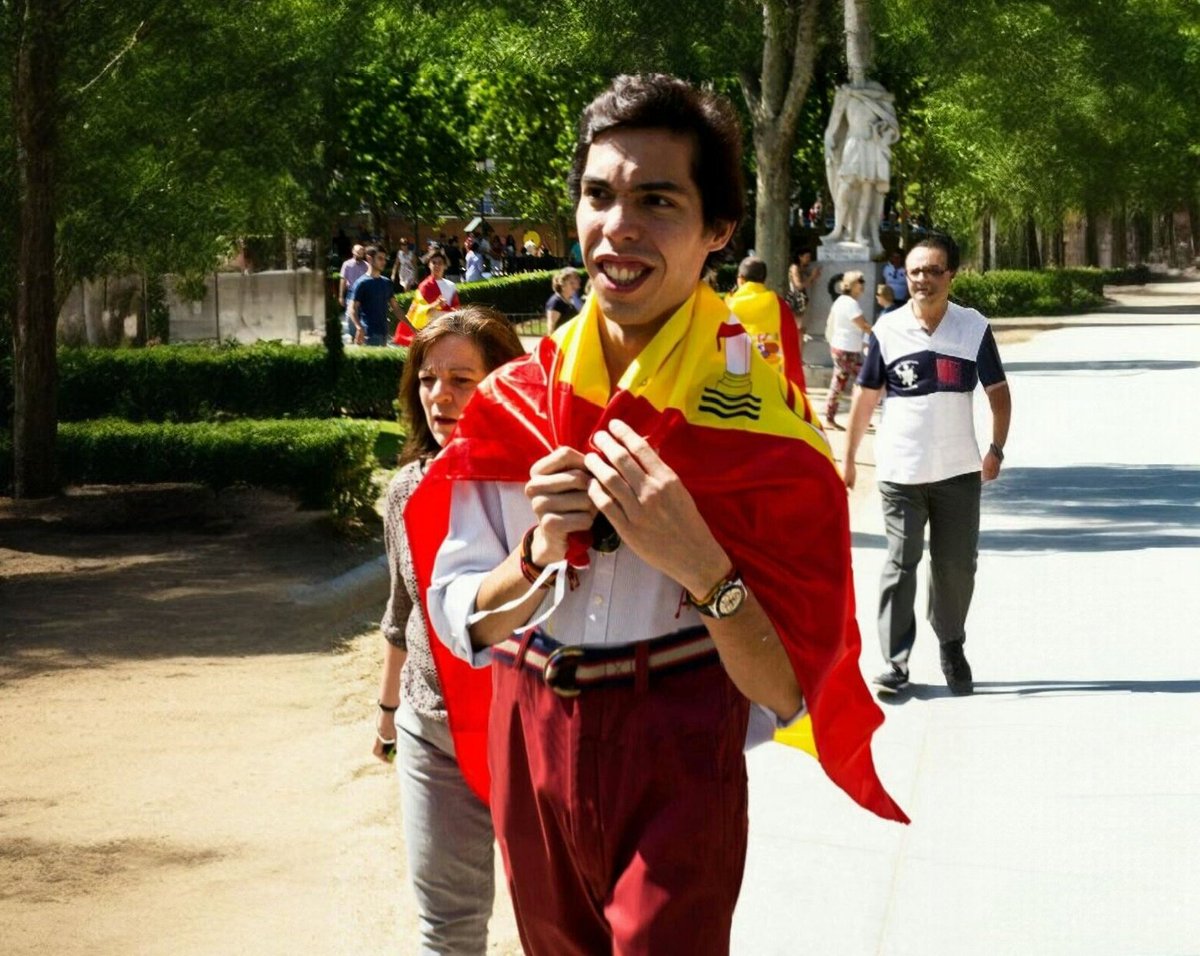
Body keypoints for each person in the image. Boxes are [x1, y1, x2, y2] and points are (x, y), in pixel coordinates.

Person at [410, 73, 905, 956]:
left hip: (680, 732)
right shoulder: (516, 405)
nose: (619, 225)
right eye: (599, 195)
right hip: (532, 725)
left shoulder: (770, 439)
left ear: (717, 231)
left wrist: (703, 568)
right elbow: (455, 614)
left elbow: (789, 690)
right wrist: (531, 558)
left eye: (658, 200)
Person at [374, 306, 525, 956]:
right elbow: (400, 613)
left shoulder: (538, 486)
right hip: (432, 732)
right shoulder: (405, 491)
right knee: (447, 931)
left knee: (563, 922)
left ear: (504, 381)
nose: (441, 395)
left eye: (462, 379)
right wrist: (386, 714)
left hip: (529, 735)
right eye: (429, 379)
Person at [842, 234, 1012, 697]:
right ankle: (895, 662)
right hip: (900, 471)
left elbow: (997, 392)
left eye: (933, 271)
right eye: (915, 271)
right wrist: (850, 458)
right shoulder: (887, 330)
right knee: (901, 563)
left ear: (951, 276)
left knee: (955, 566)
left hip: (958, 471)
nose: (922, 279)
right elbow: (866, 396)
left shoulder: (973, 328)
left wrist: (995, 448)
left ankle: (951, 645)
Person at [823, 82, 900, 257]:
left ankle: (859, 233)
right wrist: (828, 141)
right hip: (852, 144)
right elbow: (834, 121)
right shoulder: (845, 93)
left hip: (871, 145)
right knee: (844, 187)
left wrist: (884, 135)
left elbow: (892, 125)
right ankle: (838, 229)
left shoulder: (878, 91)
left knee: (867, 189)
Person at [725, 255, 806, 391]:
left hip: (737, 380)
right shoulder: (778, 304)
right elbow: (790, 346)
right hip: (771, 382)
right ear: (764, 280)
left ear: (740, 279)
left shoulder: (728, 305)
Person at [824, 271, 871, 429]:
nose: (863, 284)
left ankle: (857, 418)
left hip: (845, 348)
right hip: (846, 350)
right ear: (852, 286)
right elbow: (863, 325)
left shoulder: (843, 301)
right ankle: (830, 418)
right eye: (860, 282)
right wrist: (878, 334)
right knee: (846, 383)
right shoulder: (850, 304)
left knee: (858, 382)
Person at [397, 250, 460, 345]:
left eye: (440, 263)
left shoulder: (451, 285)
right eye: (433, 262)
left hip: (448, 327)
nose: (437, 265)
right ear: (429, 265)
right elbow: (419, 309)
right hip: (430, 329)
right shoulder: (424, 285)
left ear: (445, 266)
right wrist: (435, 305)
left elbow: (456, 306)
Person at [347, 246, 405, 346]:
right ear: (369, 259)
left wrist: (412, 327)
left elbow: (396, 308)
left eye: (384, 259)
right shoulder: (361, 283)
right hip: (368, 334)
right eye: (380, 258)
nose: (384, 262)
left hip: (384, 334)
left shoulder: (387, 283)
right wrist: (359, 327)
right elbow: (352, 309)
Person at [338, 243, 369, 339]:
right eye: (357, 252)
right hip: (351, 292)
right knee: (351, 314)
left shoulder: (366, 265)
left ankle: (362, 335)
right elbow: (343, 280)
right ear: (353, 252)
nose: (359, 254)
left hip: (364, 294)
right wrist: (341, 296)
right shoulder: (346, 264)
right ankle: (352, 335)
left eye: (361, 253)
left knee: (363, 314)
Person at [786, 249, 821, 334]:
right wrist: (812, 276)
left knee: (801, 326)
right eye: (806, 257)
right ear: (800, 257)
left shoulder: (802, 268)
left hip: (802, 298)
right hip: (796, 298)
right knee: (798, 326)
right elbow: (799, 285)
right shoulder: (795, 268)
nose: (808, 259)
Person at [544, 267, 582, 333]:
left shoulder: (571, 300)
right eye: (571, 283)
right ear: (562, 285)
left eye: (576, 282)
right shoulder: (555, 302)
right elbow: (551, 328)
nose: (576, 285)